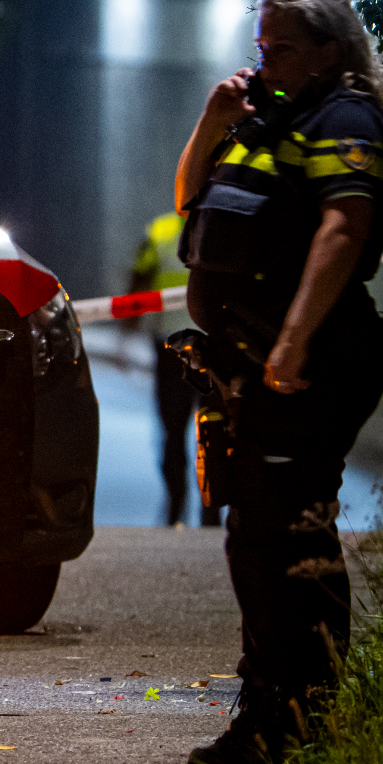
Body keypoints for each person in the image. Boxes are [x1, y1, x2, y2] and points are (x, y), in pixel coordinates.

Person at [174, 0, 383, 764]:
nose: (264, 60)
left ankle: (296, 723)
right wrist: (212, 120)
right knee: (258, 539)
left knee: (286, 540)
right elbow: (189, 206)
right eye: (261, 46)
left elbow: (344, 230)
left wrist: (293, 344)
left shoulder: (346, 120)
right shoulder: (271, 117)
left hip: (311, 362)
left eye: (282, 49)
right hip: (256, 359)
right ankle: (274, 711)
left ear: (330, 51)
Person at [128, 210, 222, 528]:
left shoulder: (161, 231)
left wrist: (129, 323)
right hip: (212, 346)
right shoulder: (223, 225)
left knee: (174, 429)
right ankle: (208, 507)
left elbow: (139, 277)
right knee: (213, 427)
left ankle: (178, 500)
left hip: (174, 347)